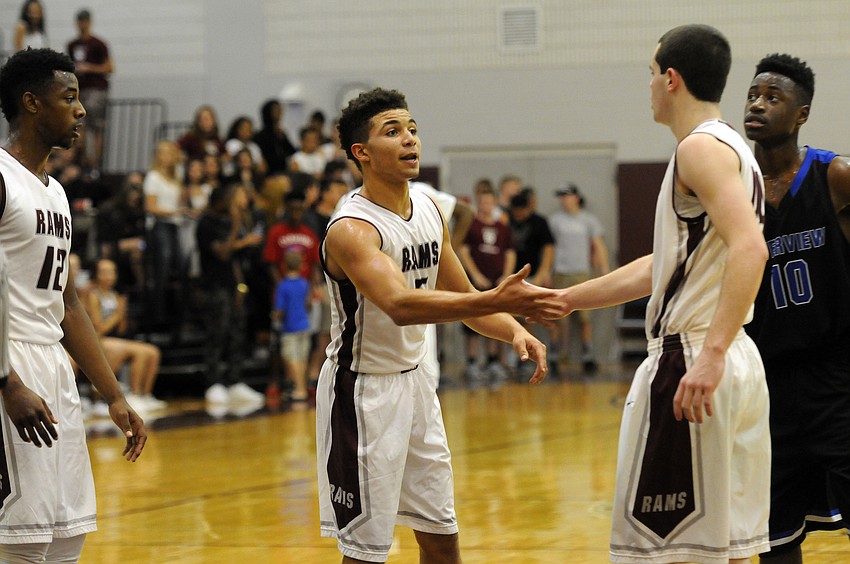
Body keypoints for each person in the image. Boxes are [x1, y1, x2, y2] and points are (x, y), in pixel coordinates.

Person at [541, 25, 771, 563]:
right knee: (728, 548)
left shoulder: (699, 149)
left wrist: (709, 355)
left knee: (666, 552)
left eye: (650, 74)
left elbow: (751, 249)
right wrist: (570, 298)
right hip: (732, 358)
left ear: (671, 79)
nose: (647, 86)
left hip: (694, 357)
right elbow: (666, 266)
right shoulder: (734, 147)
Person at [317, 87, 562, 563]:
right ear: (361, 153)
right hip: (362, 395)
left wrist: (513, 329)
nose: (410, 139)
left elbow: (467, 300)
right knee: (366, 553)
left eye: (412, 128)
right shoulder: (352, 229)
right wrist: (497, 298)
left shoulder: (429, 209)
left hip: (417, 390)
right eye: (393, 131)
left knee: (442, 539)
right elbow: (402, 305)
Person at [0, 47, 145, 562]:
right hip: (9, 365)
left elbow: (70, 305)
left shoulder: (57, 193)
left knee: (66, 537)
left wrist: (113, 394)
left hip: (54, 369)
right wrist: (8, 384)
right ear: (32, 103)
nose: (82, 110)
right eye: (70, 97)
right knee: (20, 539)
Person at [742, 54, 850, 562]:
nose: (758, 105)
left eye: (773, 97)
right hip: (765, 386)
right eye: (752, 95)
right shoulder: (734, 190)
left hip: (837, 378)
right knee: (774, 538)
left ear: (801, 114)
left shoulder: (836, 177)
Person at [195, 184, 265, 406]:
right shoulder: (205, 224)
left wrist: (240, 285)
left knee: (238, 332)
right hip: (214, 286)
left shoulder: (227, 222)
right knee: (218, 334)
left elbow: (234, 260)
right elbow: (223, 253)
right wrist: (236, 225)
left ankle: (235, 381)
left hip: (232, 285)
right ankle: (213, 383)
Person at [86, 259, 165, 413]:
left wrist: (122, 316)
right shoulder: (93, 295)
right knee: (139, 352)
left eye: (112, 272)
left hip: (115, 338)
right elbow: (99, 328)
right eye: (104, 272)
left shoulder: (115, 296)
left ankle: (145, 395)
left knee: (152, 351)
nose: (109, 276)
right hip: (98, 339)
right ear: (96, 275)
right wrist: (118, 314)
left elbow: (121, 329)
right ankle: (134, 394)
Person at [548, 182, 610, 375]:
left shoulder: (588, 220)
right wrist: (547, 272)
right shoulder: (555, 221)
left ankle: (587, 353)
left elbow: (598, 245)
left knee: (585, 317)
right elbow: (549, 249)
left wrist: (604, 270)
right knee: (559, 317)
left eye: (567, 196)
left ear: (576, 197)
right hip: (561, 272)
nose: (564, 200)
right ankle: (557, 354)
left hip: (581, 272)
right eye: (561, 197)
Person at [458, 186, 516, 388]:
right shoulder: (471, 225)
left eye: (490, 202)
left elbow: (509, 252)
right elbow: (463, 252)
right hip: (477, 282)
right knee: (473, 321)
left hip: (496, 282)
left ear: (495, 204)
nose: (486, 206)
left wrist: (506, 276)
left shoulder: (502, 227)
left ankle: (493, 361)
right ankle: (472, 361)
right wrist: (475, 275)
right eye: (482, 202)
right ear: (478, 203)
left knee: (495, 320)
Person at [67, 9, 112, 169]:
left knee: (96, 127)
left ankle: (95, 164)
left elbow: (109, 67)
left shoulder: (98, 44)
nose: (82, 25)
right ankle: (83, 161)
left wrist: (89, 68)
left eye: (85, 21)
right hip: (79, 89)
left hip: (96, 89)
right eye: (80, 21)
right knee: (79, 126)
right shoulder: (72, 45)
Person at [273, 250, 311, 402]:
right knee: (302, 358)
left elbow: (279, 310)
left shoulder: (283, 286)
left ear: (284, 266)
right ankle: (302, 387)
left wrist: (275, 316)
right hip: (304, 324)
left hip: (290, 327)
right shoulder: (304, 283)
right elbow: (307, 304)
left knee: (290, 357)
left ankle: (299, 388)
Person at [253, 98, 297, 175]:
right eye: (276, 111)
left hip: (284, 171)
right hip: (269, 173)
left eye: (280, 110)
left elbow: (292, 152)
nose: (279, 113)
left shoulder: (281, 134)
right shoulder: (260, 136)